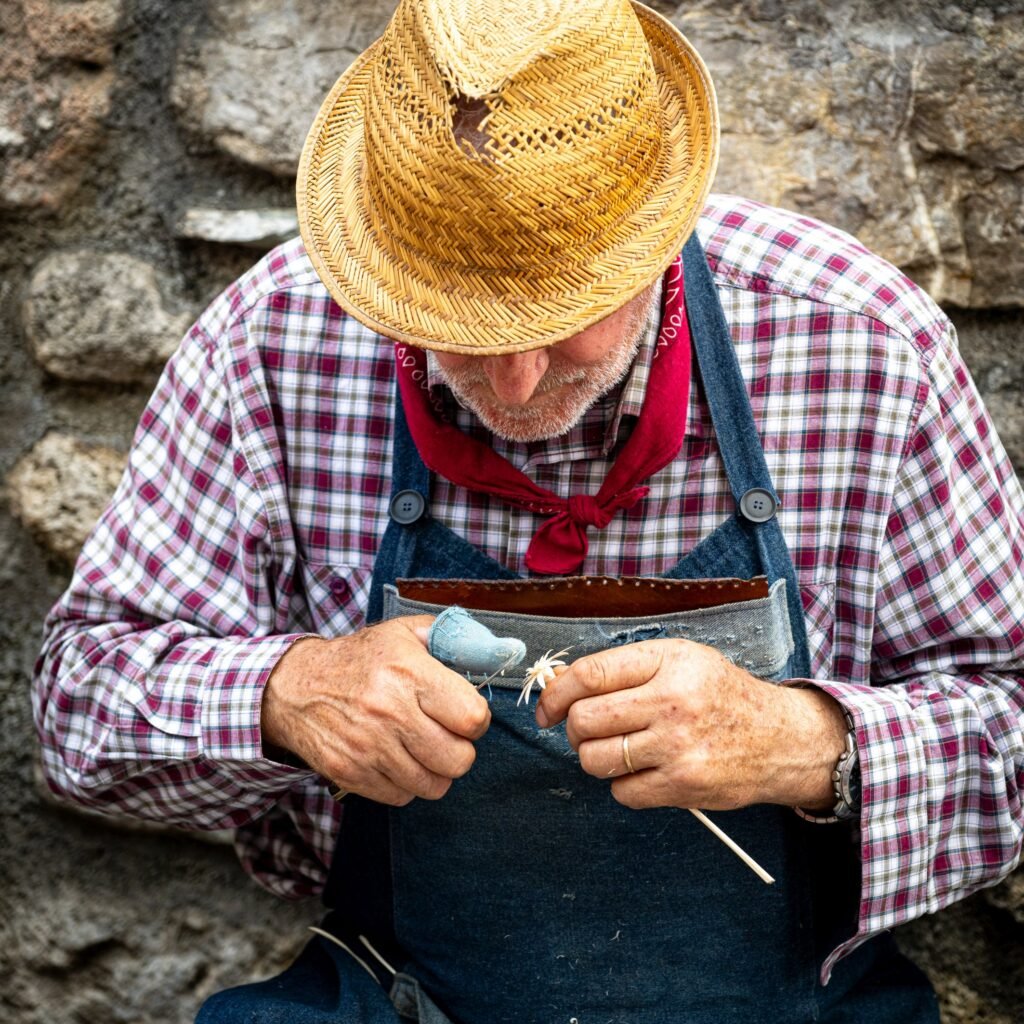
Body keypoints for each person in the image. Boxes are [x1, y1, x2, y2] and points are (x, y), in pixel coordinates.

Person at [32, 0, 1024, 1021]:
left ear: (657, 228)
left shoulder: (857, 346)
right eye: (455, 322)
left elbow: (1013, 723)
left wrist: (808, 742)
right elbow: (77, 709)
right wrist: (285, 693)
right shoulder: (272, 338)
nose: (513, 380)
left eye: (563, 316)